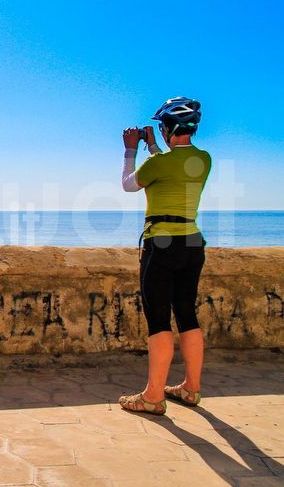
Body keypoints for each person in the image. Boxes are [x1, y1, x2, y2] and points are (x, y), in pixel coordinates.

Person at [118, 96, 212, 415]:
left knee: (158, 319)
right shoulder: (203, 160)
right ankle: (191, 387)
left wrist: (131, 149)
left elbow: (129, 185)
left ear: (169, 127)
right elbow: (172, 166)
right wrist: (154, 146)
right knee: (187, 314)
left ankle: (153, 396)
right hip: (192, 242)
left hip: (161, 244)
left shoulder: (158, 164)